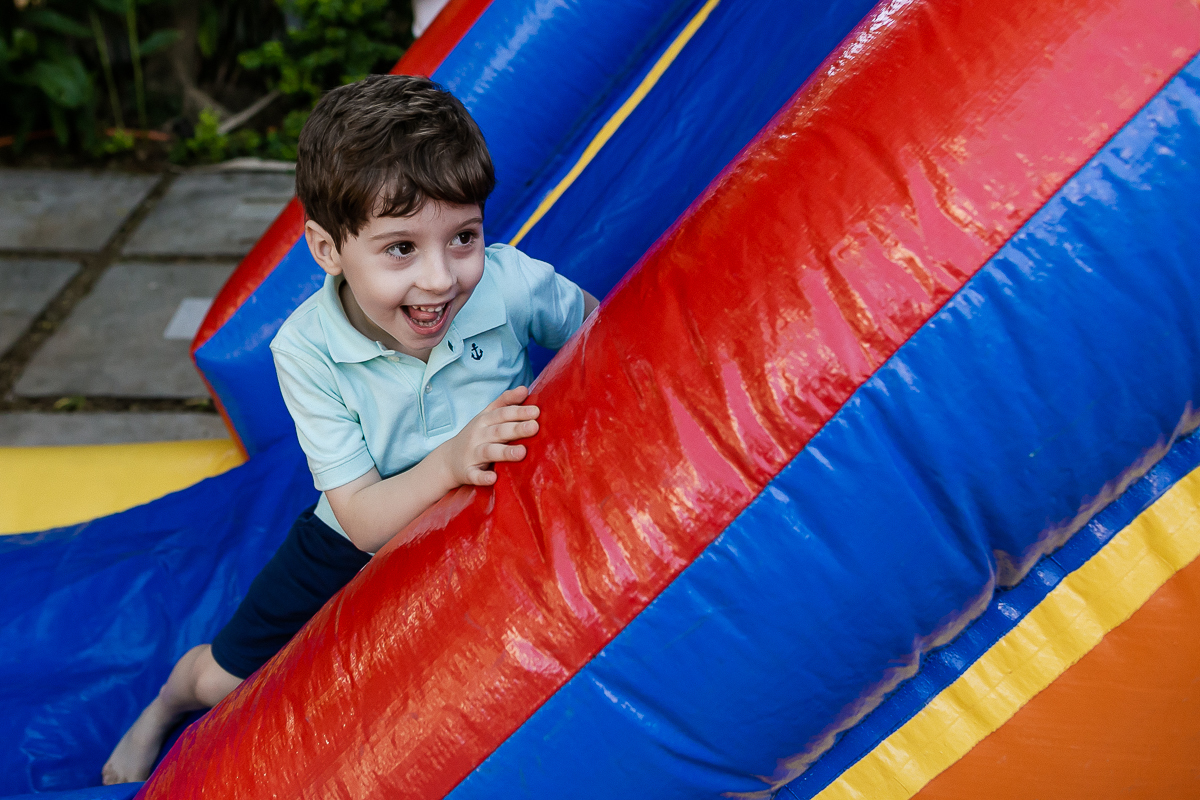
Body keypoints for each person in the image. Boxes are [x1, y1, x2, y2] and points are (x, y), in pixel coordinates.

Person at [102, 73, 599, 785]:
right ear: (328, 248)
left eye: (463, 237)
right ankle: (164, 704)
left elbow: (607, 338)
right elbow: (361, 517)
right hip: (355, 533)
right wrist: (451, 460)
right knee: (225, 680)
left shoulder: (510, 284)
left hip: (492, 512)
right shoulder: (305, 350)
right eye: (400, 249)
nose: (440, 279)